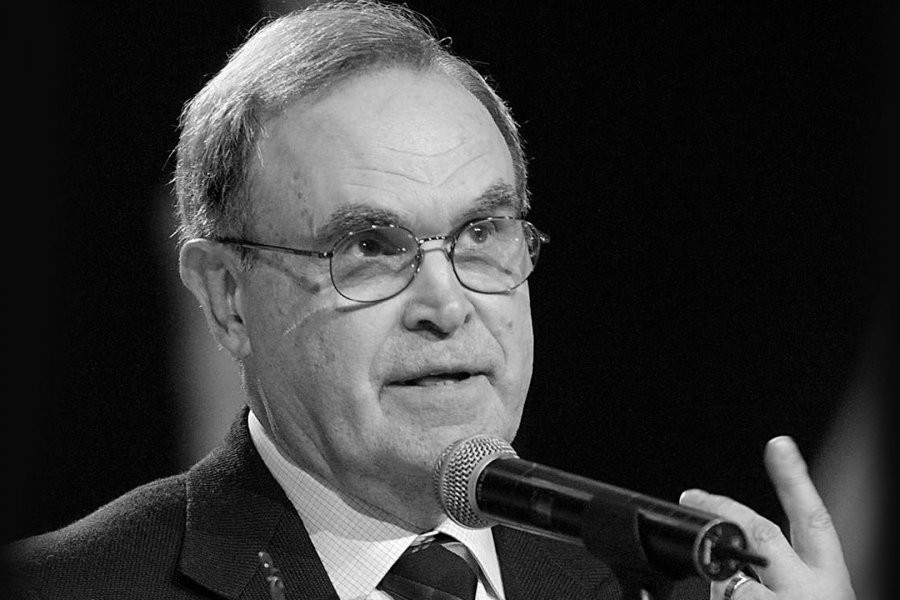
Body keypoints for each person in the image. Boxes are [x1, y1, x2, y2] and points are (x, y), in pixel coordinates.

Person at [2, 2, 857, 599]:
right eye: (371, 248)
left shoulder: (663, 585)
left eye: (482, 233)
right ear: (228, 298)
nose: (446, 305)